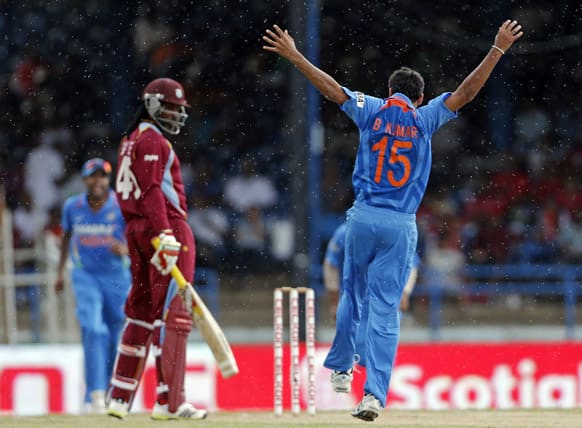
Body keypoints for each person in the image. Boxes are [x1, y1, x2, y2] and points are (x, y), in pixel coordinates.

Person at [263, 20, 523, 421]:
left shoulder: (372, 109)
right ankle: (373, 396)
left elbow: (332, 91)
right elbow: (468, 93)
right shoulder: (425, 118)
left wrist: (295, 55)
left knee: (351, 293)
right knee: (385, 310)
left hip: (363, 218)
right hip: (400, 223)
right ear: (420, 98)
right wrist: (497, 49)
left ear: (390, 92)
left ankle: (341, 366)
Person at [106, 77, 207, 420]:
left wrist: (145, 232)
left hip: (136, 230)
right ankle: (171, 402)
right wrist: (165, 234)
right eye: (170, 107)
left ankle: (119, 397)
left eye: (180, 109)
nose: (177, 114)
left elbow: (132, 195)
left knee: (141, 311)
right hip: (166, 226)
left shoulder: (128, 140)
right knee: (176, 315)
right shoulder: (153, 141)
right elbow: (151, 193)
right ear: (151, 105)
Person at [54, 158, 130, 413]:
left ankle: (107, 389)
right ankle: (95, 392)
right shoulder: (72, 206)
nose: (98, 181)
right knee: (92, 328)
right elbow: (65, 238)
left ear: (108, 180)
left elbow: (137, 236)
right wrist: (59, 273)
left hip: (116, 276)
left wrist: (126, 250)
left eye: (103, 176)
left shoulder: (121, 205)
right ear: (85, 179)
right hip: (85, 274)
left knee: (113, 334)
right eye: (93, 176)